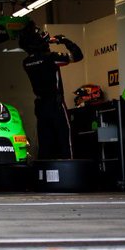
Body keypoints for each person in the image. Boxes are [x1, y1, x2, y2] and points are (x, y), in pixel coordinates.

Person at [20, 25, 83, 159]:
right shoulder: (51, 58)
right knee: (65, 139)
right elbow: (78, 56)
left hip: (40, 106)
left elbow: (38, 56)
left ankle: (46, 174)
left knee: (45, 143)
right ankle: (69, 173)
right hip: (56, 104)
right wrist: (64, 40)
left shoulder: (26, 62)